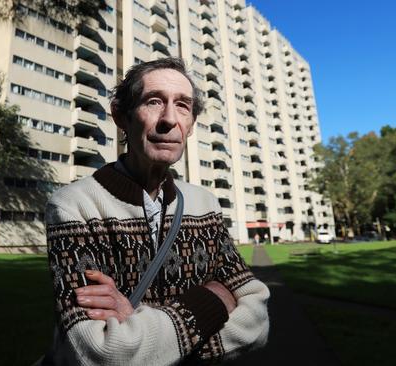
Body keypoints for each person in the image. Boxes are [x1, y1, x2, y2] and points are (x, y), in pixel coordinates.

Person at [44, 57, 269, 365]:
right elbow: (100, 352)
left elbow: (257, 320)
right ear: (121, 116)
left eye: (183, 106)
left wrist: (142, 334)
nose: (169, 119)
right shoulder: (73, 205)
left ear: (190, 125)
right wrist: (216, 298)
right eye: (153, 101)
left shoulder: (205, 204)